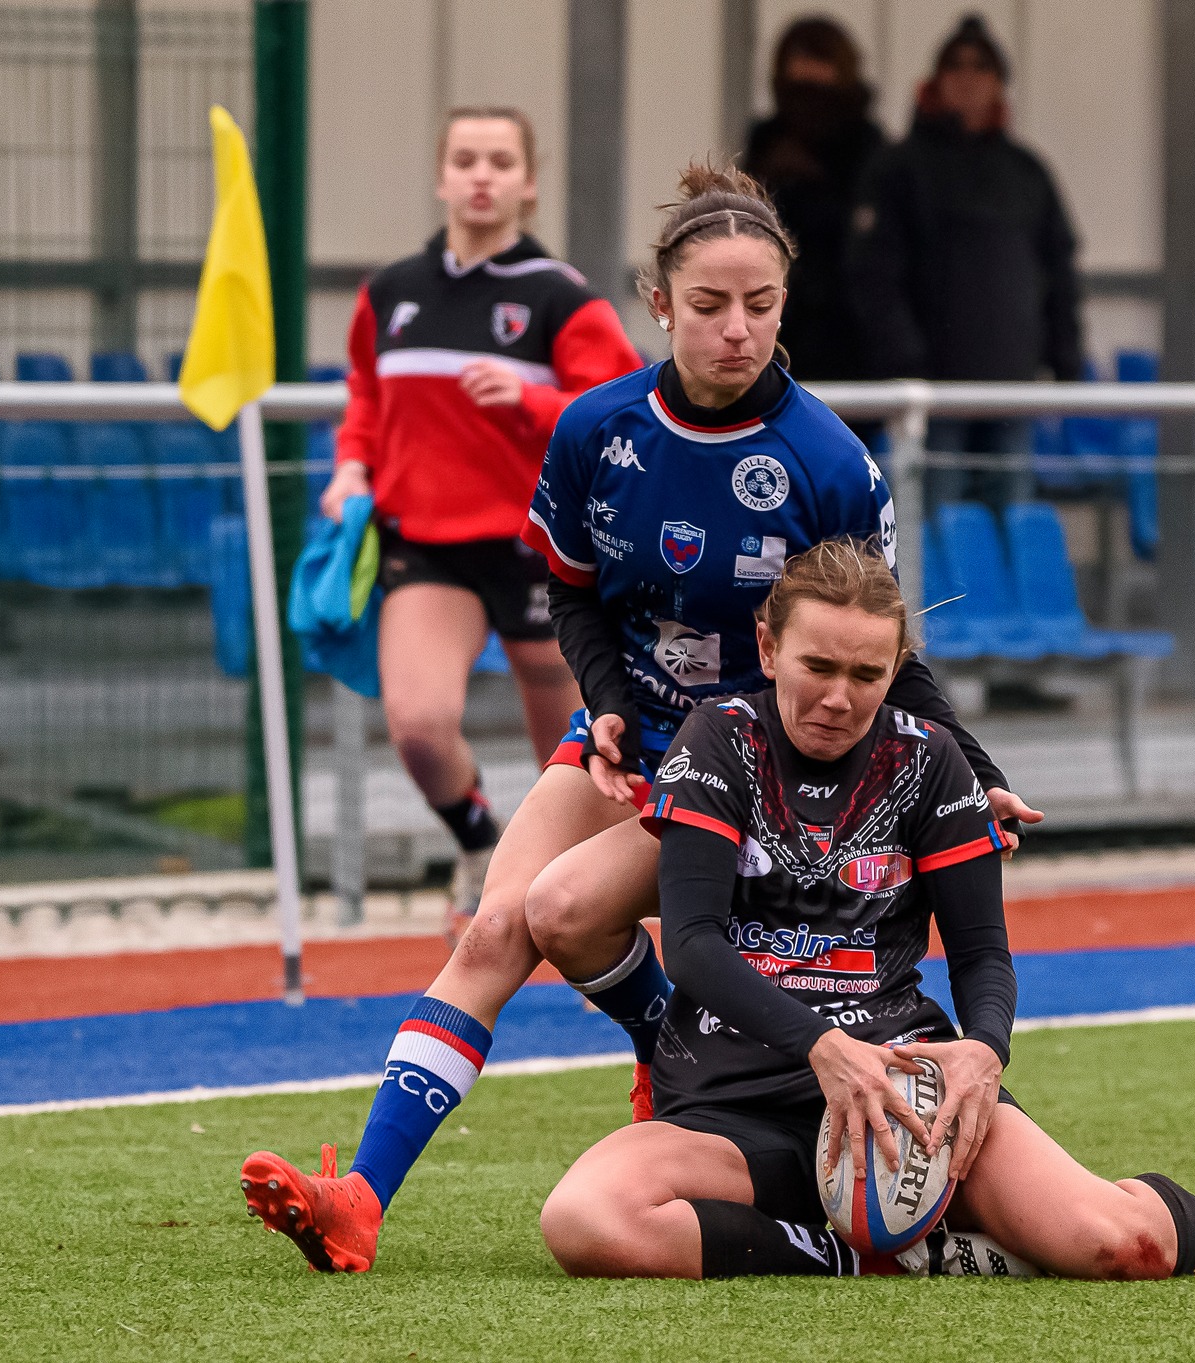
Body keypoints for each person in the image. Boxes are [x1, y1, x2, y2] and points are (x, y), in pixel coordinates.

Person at [239, 164, 1039, 1272]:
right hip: (632, 737)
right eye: (708, 304)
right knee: (493, 928)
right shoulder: (595, 429)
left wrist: (975, 768)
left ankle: (674, 1052)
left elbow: (876, 651)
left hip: (756, 773)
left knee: (564, 910)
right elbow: (571, 591)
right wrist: (609, 708)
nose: (736, 329)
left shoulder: (828, 465)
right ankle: (360, 1198)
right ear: (658, 304)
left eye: (759, 304)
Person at [534, 539, 1195, 1281]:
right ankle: (874, 1257)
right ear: (768, 648)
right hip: (736, 1107)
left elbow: (983, 954)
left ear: (895, 671)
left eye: (867, 674)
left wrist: (984, 1051)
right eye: (818, 667)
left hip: (910, 1093)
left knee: (1119, 1245)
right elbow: (690, 945)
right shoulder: (719, 740)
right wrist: (823, 1047)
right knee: (588, 1218)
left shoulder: (931, 759)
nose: (839, 697)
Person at [320, 107, 640, 930]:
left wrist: (530, 399)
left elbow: (617, 414)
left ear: (528, 183)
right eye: (465, 159)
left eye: (500, 161)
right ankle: (478, 846)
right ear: (441, 176)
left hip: (538, 546)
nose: (482, 176)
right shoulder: (389, 293)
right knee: (419, 726)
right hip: (426, 544)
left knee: (578, 759)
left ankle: (593, 913)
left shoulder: (560, 297)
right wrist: (351, 467)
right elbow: (365, 399)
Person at [846, 13, 1083, 509]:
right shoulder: (898, 168)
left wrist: (1066, 363)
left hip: (1012, 391)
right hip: (933, 397)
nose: (968, 78)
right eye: (955, 66)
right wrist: (906, 365)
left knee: (1010, 523)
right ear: (935, 80)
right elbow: (874, 275)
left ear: (999, 83)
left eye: (981, 67)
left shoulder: (1027, 172)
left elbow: (1060, 272)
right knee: (932, 525)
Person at [741, 17, 888, 393]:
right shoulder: (766, 143)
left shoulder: (868, 148)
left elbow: (870, 240)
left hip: (853, 333)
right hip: (776, 323)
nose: (808, 77)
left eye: (820, 61)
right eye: (799, 62)